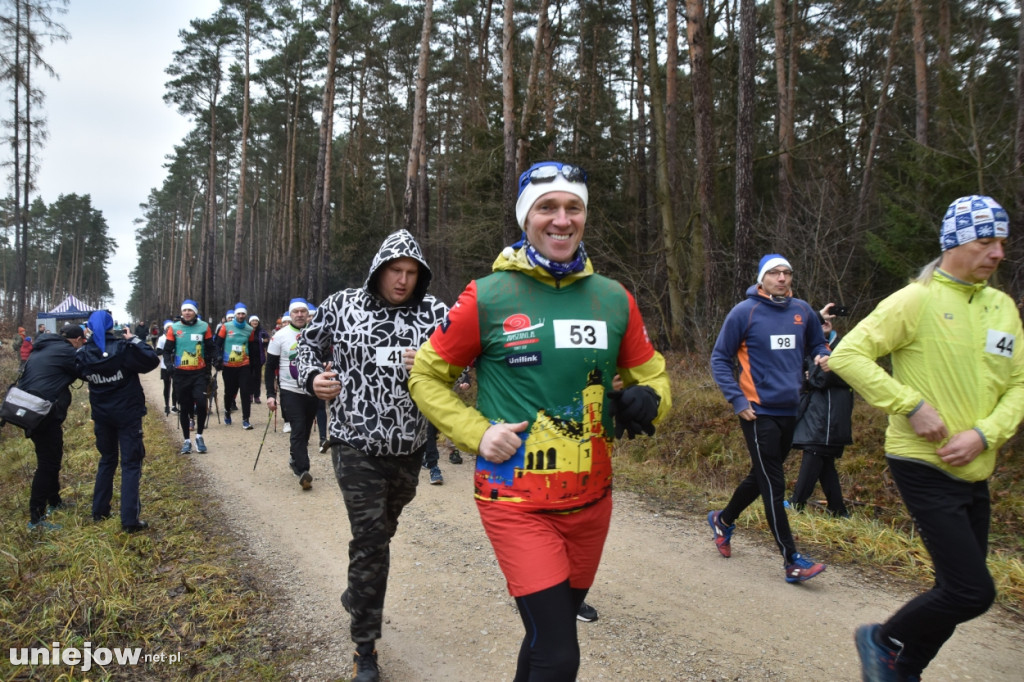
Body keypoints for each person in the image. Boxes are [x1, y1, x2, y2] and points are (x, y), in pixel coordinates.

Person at [409, 161, 671, 681]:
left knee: (543, 638)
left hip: (592, 500)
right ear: (526, 218)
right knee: (560, 652)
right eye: (546, 207)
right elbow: (425, 376)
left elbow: (655, 376)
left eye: (573, 207)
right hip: (515, 502)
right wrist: (477, 433)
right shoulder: (488, 296)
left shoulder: (613, 298)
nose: (561, 219)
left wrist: (649, 399)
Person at [829, 195, 1023, 682]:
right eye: (985, 242)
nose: (998, 253)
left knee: (955, 591)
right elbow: (848, 355)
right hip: (923, 461)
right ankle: (883, 639)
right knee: (971, 592)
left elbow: (1019, 383)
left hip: (976, 466)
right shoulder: (916, 300)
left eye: (1001, 242)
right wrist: (910, 406)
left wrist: (985, 434)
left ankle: (903, 671)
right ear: (955, 244)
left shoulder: (1002, 306)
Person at [297, 229, 449, 682]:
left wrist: (435, 363)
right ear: (378, 271)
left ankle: (357, 593)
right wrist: (312, 380)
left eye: (410, 273)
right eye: (394, 271)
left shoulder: (436, 312)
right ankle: (366, 648)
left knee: (384, 529)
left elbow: (463, 366)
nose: (402, 281)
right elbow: (306, 346)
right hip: (353, 442)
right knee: (370, 541)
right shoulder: (343, 305)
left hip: (409, 446)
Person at [708, 253, 830, 583]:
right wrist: (737, 399)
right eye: (774, 273)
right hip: (757, 411)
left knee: (761, 476)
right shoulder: (744, 312)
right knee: (774, 485)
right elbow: (719, 358)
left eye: (787, 272)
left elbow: (817, 344)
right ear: (762, 278)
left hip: (791, 409)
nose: (781, 278)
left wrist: (824, 355)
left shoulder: (802, 311)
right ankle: (792, 560)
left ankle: (723, 519)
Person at [76, 310, 160, 532]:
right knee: (131, 464)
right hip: (128, 415)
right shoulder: (123, 348)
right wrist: (133, 339)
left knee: (107, 460)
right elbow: (151, 361)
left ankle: (99, 511)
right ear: (112, 325)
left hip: (103, 415)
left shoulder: (84, 352)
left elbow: (80, 373)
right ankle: (130, 520)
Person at [13, 324, 87, 530]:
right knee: (48, 463)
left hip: (29, 409)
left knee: (52, 455)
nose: (82, 345)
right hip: (42, 412)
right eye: (82, 342)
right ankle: (36, 518)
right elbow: (85, 372)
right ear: (76, 340)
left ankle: (54, 502)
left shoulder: (45, 346)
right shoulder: (65, 351)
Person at [789, 304, 853, 517]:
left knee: (815, 449)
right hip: (815, 407)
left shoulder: (844, 346)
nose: (825, 323)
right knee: (822, 457)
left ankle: (796, 503)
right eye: (820, 319)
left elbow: (822, 377)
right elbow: (800, 375)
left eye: (828, 319)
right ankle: (838, 510)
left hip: (833, 410)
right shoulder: (808, 345)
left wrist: (813, 375)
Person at [266, 298, 319, 491]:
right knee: (297, 427)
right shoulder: (280, 336)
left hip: (312, 389)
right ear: (290, 314)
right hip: (289, 390)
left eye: (302, 312)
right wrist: (271, 394)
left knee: (304, 430)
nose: (299, 315)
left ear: (307, 314)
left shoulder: (316, 333)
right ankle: (303, 470)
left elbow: (328, 354)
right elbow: (270, 367)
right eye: (295, 312)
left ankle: (294, 457)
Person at [164, 300, 216, 454]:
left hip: (199, 373)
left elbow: (211, 347)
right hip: (180, 374)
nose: (187, 313)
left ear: (195, 312)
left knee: (201, 403)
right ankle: (187, 440)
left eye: (190, 310)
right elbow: (167, 351)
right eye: (184, 310)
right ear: (181, 312)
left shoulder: (204, 326)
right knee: (185, 407)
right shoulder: (174, 328)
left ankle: (199, 436)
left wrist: (216, 359)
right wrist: (169, 365)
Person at [215, 303, 257, 429]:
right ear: (235, 315)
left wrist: (254, 365)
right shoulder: (226, 327)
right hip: (229, 365)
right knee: (229, 392)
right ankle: (227, 411)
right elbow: (217, 344)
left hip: (244, 365)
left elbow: (251, 347)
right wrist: (218, 357)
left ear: (246, 315)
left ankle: (246, 419)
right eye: (238, 313)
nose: (240, 316)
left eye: (243, 313)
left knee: (245, 391)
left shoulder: (250, 330)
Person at [155, 319, 176, 415]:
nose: (169, 329)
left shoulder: (176, 337)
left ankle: (174, 405)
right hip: (165, 365)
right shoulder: (162, 338)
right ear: (165, 329)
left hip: (176, 364)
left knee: (175, 386)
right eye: (167, 328)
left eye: (171, 327)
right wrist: (166, 351)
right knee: (167, 386)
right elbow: (157, 351)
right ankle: (166, 405)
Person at [249, 314, 270, 405]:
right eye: (253, 321)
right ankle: (250, 395)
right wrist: (259, 340)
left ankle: (257, 396)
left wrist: (262, 340)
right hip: (248, 357)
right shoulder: (246, 330)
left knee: (257, 377)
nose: (255, 322)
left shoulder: (261, 331)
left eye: (256, 321)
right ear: (250, 322)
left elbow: (268, 339)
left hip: (259, 357)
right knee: (249, 377)